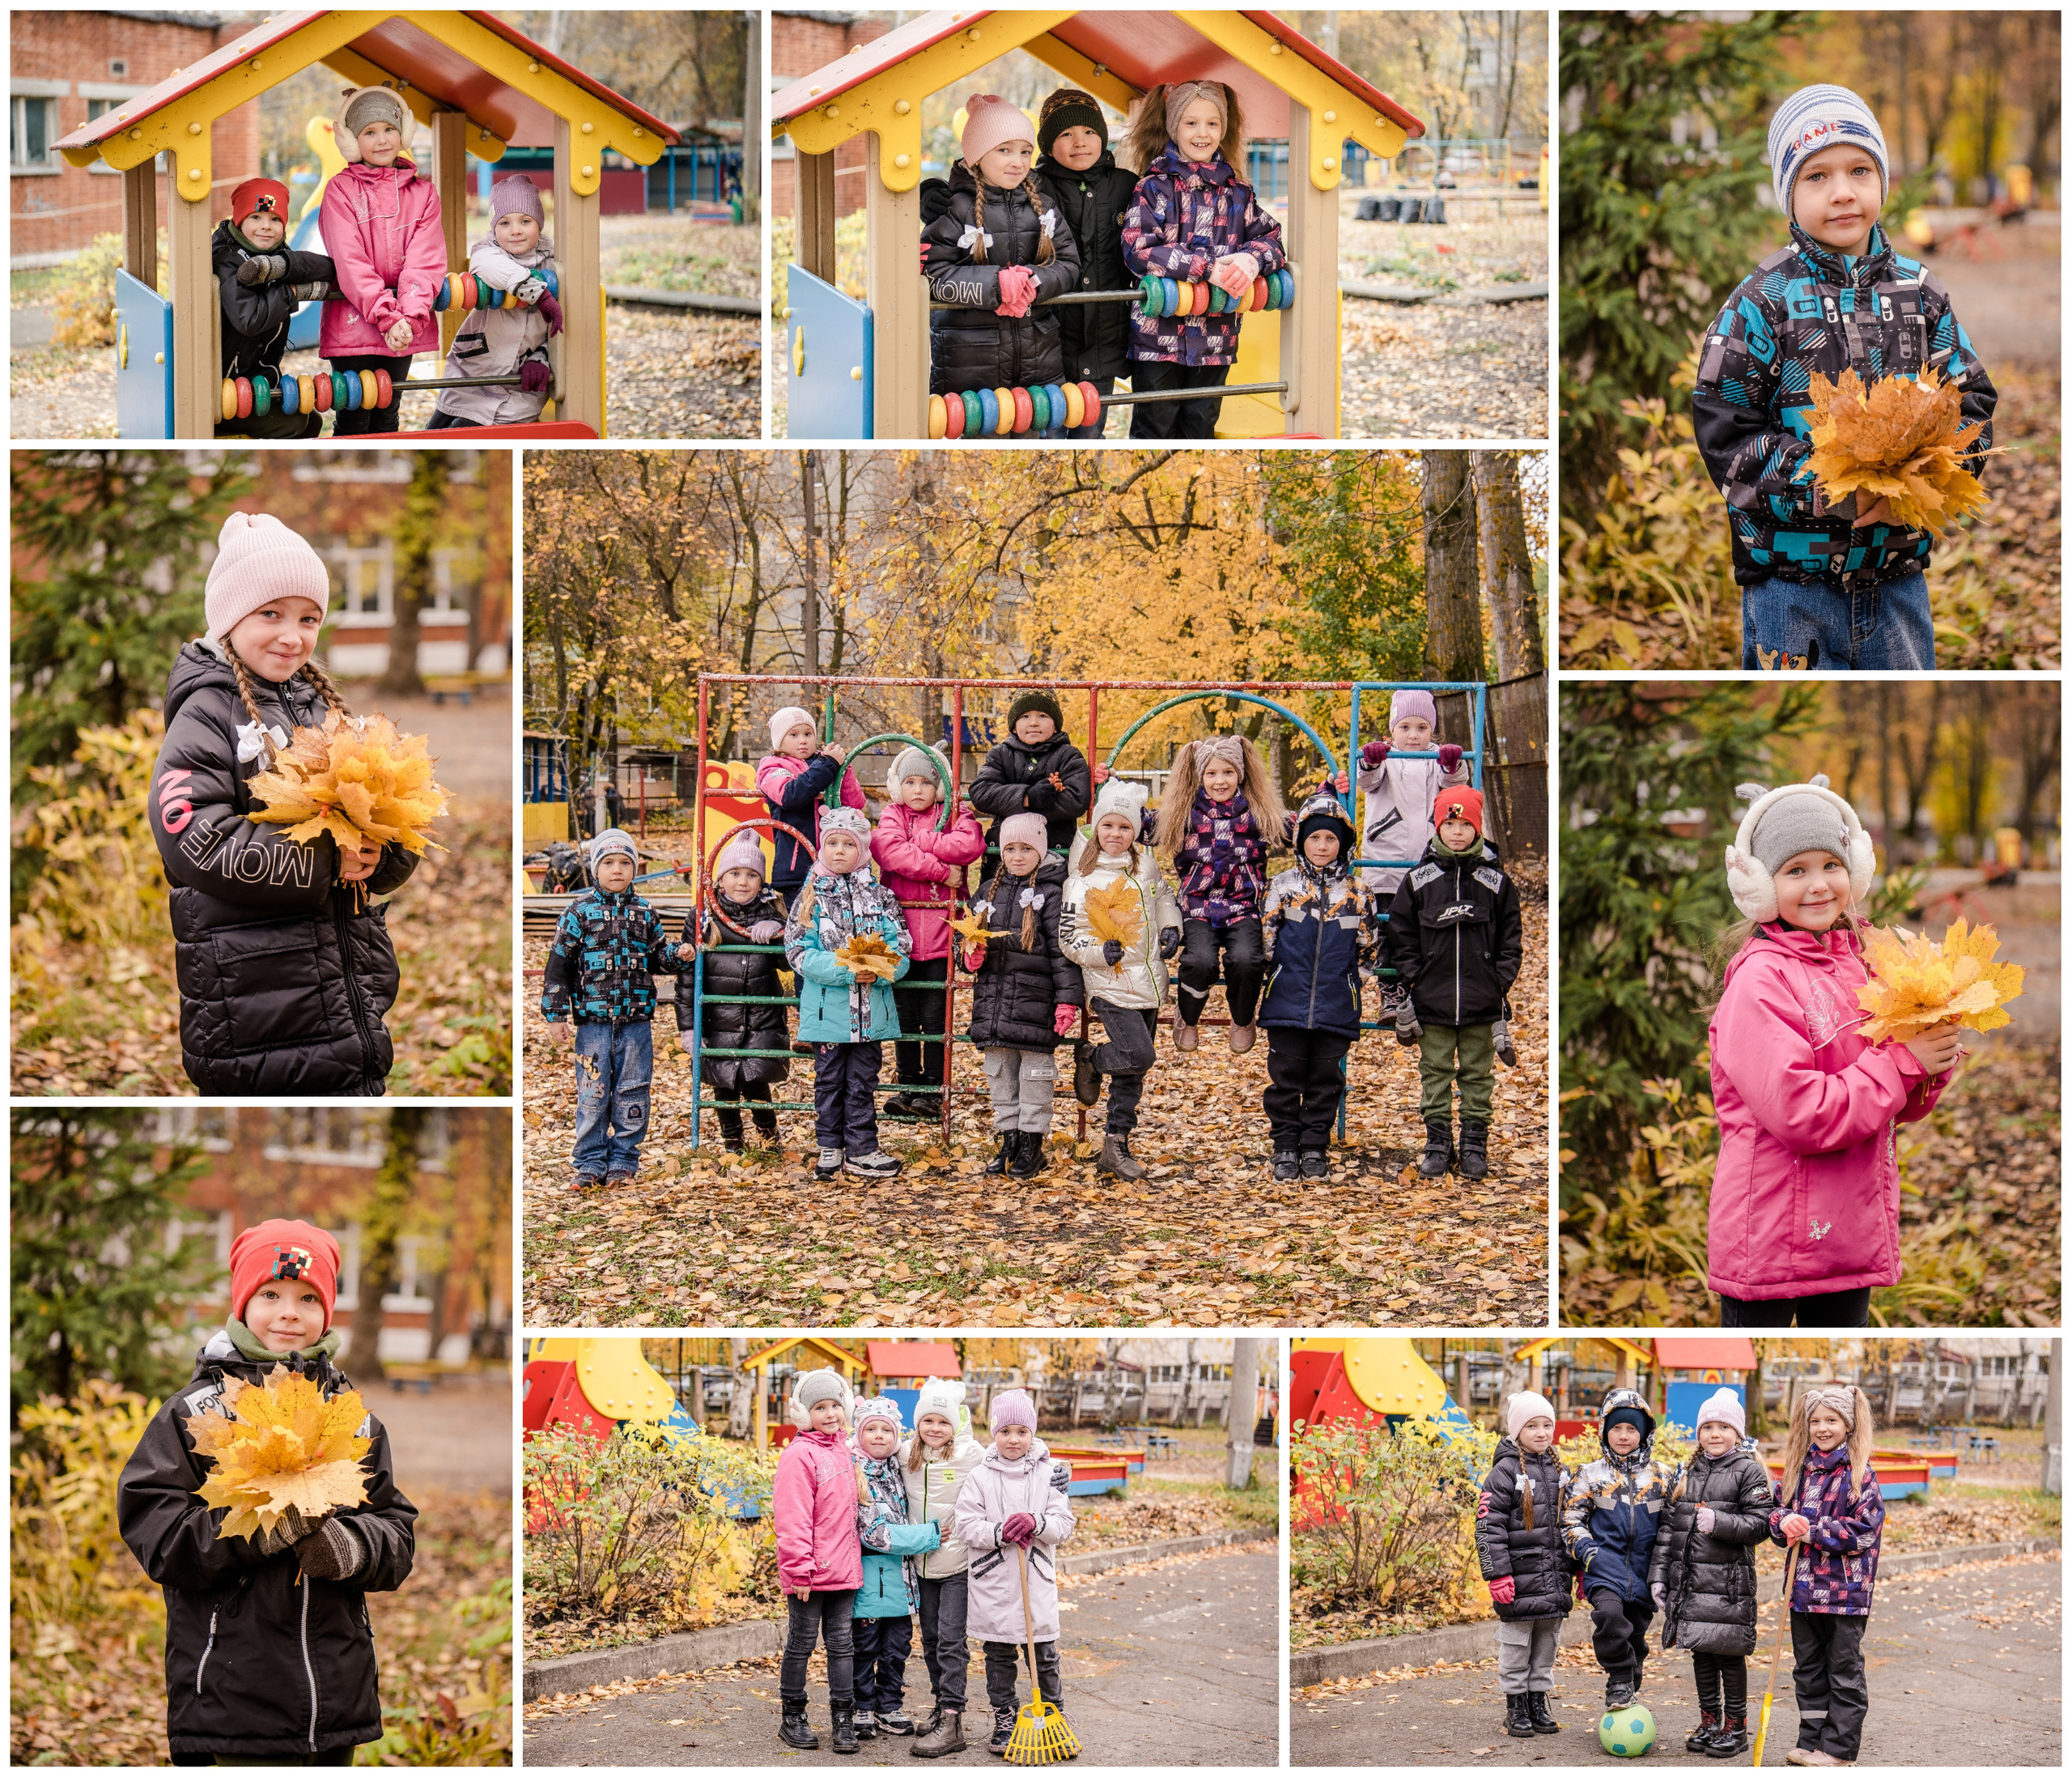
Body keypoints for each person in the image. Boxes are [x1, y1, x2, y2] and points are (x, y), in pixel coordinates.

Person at [1692, 84, 1998, 671]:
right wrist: (1829, 487)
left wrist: (1915, 485)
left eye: (1859, 169)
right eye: (1817, 176)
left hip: (1898, 582)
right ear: (1788, 194)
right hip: (1790, 588)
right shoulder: (1763, 301)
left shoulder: (1921, 293)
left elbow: (1972, 401)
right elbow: (1725, 430)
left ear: (1882, 180)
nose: (1843, 192)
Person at [117, 1220, 416, 1765]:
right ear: (242, 1302)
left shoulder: (353, 1420)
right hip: (232, 1699)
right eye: (271, 1293)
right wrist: (264, 1526)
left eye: (308, 1297)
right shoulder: (196, 1412)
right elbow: (157, 1531)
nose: (288, 1311)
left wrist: (349, 1548)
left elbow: (397, 1531)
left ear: (327, 1310)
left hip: (333, 1698)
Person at [147, 512, 417, 1096]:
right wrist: (325, 862)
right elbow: (194, 835)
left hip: (342, 1000)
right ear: (228, 617)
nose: (291, 635)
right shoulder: (206, 714)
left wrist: (380, 850)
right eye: (270, 613)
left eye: (308, 618)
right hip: (255, 1005)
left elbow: (381, 811)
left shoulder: (319, 707)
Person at [1709, 776, 1959, 1324]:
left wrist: (1931, 1060)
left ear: (1856, 870)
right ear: (1762, 885)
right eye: (1796, 870)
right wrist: (1904, 1060)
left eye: (1831, 865)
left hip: (1848, 1235)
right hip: (1772, 1242)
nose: (1819, 884)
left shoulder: (1865, 964)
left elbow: (1897, 1105)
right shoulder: (1759, 982)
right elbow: (1804, 1113)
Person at [1118, 81, 1287, 439]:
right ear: (1173, 127)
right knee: (1155, 424)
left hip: (1216, 337)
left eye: (1212, 124)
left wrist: (1250, 262)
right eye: (1191, 123)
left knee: (1201, 424)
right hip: (1157, 339)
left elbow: (1272, 238)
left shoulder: (1238, 194)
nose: (1202, 133)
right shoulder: (1153, 187)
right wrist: (1207, 269)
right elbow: (1138, 250)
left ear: (1223, 130)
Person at [923, 95, 1081, 436]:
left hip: (1039, 360)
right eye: (1004, 150)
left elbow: (1068, 262)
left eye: (1025, 151)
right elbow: (932, 275)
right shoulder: (954, 210)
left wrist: (1036, 280)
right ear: (977, 156)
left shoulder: (1044, 207)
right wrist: (997, 285)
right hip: (969, 365)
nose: (1018, 161)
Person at [1386, 786, 1523, 1181]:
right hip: (1434, 1000)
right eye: (1451, 823)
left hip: (1483, 1001)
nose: (1458, 832)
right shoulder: (1419, 881)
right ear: (1438, 827)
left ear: (1477, 828)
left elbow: (1511, 939)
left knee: (1478, 1074)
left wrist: (1499, 981)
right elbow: (1401, 934)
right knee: (1435, 1070)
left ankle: (1475, 1143)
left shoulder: (1496, 883)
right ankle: (1437, 1142)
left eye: (1466, 824)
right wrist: (1416, 976)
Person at [540, 827, 687, 1187]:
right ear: (595, 869)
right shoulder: (578, 913)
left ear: (635, 869)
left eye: (625, 862)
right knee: (593, 1091)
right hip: (593, 1024)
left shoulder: (645, 913)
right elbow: (558, 966)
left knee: (632, 1090)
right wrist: (556, 1014)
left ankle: (624, 1158)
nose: (617, 869)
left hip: (636, 1022)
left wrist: (678, 955)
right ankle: (590, 1161)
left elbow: (657, 957)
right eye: (608, 862)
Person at [1257, 791, 1384, 1180]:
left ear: (1344, 843)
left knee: (1326, 1081)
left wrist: (1350, 983)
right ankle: (1284, 1148)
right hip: (1286, 1002)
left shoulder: (1358, 893)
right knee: (1285, 1079)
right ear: (1301, 842)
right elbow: (1266, 940)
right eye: (1314, 838)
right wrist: (1276, 976)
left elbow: (1369, 948)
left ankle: (1314, 1147)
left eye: (1331, 838)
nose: (1323, 845)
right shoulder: (1283, 886)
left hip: (1336, 1003)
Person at [1060, 778, 1182, 1180]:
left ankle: (1116, 1144)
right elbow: (1068, 936)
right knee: (1138, 1055)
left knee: (1133, 1072)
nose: (1116, 834)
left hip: (1148, 978)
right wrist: (1097, 953)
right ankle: (1092, 1058)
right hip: (1108, 982)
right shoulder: (1081, 875)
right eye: (1108, 826)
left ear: (1135, 832)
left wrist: (1170, 927)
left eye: (1125, 827)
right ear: (1096, 827)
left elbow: (1163, 896)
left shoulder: (1144, 865)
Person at [784, 806, 912, 1181]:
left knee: (862, 1082)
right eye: (832, 843)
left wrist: (882, 972)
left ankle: (862, 1149)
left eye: (848, 845)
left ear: (863, 851)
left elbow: (901, 947)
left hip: (871, 1015)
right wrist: (846, 970)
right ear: (823, 848)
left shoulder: (882, 897)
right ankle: (829, 1147)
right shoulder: (811, 898)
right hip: (828, 1016)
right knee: (829, 1082)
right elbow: (797, 950)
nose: (839, 851)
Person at [1650, 1388, 1777, 1758]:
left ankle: (1736, 1728)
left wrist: (1719, 1521)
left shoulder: (1748, 1470)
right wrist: (1659, 1576)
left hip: (1727, 1584)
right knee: (1701, 1653)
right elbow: (1667, 1530)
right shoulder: (1688, 1471)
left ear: (1738, 1433)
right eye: (1708, 1427)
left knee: (1728, 1654)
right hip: (1690, 1583)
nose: (1715, 1434)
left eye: (1723, 1426)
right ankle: (1709, 1721)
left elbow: (1760, 1524)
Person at [1147, 734, 1289, 1056]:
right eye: (1211, 773)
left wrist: (1332, 792)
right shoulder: (1184, 813)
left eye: (1227, 772)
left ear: (1240, 773)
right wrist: (1109, 789)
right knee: (1199, 962)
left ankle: (1242, 1018)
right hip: (1197, 906)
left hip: (1244, 907)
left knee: (1247, 961)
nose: (1220, 780)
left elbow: (1305, 828)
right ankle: (1189, 1014)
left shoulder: (1258, 812)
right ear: (1200, 777)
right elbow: (1136, 824)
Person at [953, 1390, 1076, 1758]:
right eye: (1005, 1431)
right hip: (995, 1581)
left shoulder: (1048, 1474)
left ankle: (1054, 1714)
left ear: (1033, 1433)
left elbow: (1063, 1523)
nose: (1013, 1439)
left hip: (1034, 1578)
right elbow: (966, 1525)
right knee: (999, 1655)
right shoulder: (979, 1476)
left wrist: (1036, 1522)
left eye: (1022, 1431)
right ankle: (1005, 1717)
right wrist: (999, 1532)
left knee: (1044, 1653)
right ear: (994, 1432)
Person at [962, 811, 1084, 1179]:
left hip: (1036, 1002)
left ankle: (1033, 1143)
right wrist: (968, 953)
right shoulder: (987, 892)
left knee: (1034, 1075)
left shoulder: (1051, 894)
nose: (1017, 856)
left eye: (1026, 849)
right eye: (1010, 848)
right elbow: (964, 938)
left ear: (1041, 851)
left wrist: (1067, 1000)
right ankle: (1008, 1139)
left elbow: (1063, 953)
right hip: (994, 1004)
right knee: (1000, 1074)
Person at [1767, 1386, 1884, 1766]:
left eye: (1831, 1420)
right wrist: (1783, 1520)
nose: (1822, 1428)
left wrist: (1813, 1531)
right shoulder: (1798, 1470)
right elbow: (1774, 1515)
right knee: (1809, 1671)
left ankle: (1838, 1750)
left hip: (1844, 1596)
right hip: (1801, 1593)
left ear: (1848, 1424)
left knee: (1843, 1670)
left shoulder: (1859, 1474)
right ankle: (1811, 1740)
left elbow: (1864, 1531)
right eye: (1815, 1420)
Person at [319, 86, 445, 436]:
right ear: (352, 141)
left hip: (404, 322)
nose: (382, 140)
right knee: (355, 417)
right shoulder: (340, 190)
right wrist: (387, 318)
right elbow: (350, 260)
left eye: (389, 129)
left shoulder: (423, 193)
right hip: (354, 320)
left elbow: (426, 259)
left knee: (388, 413)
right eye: (369, 132)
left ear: (402, 133)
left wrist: (410, 319)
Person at [871, 745, 986, 1120]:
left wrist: (919, 842)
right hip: (899, 932)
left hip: (940, 931)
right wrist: (939, 869)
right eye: (910, 782)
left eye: (926, 782)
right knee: (904, 1014)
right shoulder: (892, 815)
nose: (918, 790)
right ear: (897, 786)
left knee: (936, 1015)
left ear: (939, 786)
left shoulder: (954, 813)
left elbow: (969, 845)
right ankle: (908, 1085)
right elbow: (888, 851)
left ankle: (934, 1088)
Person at [1344, 690, 1471, 1023]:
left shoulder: (1435, 758)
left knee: (1427, 930)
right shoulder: (1385, 757)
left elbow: (1456, 786)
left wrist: (1453, 764)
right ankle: (1390, 993)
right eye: (1405, 727)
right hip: (1385, 862)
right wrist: (1369, 761)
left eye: (1421, 728)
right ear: (1393, 729)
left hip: (1428, 862)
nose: (1413, 735)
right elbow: (1365, 782)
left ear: (1432, 730)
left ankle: (1422, 993)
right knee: (1387, 931)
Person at [1561, 1388, 1675, 1711]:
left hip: (1646, 1572)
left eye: (1631, 1429)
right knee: (1610, 1617)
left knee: (1636, 1635)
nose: (1623, 1436)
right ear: (1604, 1431)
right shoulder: (1590, 1475)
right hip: (1604, 1566)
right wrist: (1588, 1552)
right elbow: (1571, 1518)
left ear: (1645, 1433)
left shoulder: (1663, 1477)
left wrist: (1669, 1569)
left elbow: (1675, 1523)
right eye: (1616, 1428)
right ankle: (1619, 1679)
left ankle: (1628, 1689)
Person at [677, 831, 789, 1152]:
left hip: (761, 1014)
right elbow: (688, 977)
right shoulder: (703, 917)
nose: (743, 882)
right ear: (721, 878)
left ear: (761, 881)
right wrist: (688, 1026)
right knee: (722, 1081)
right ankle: (732, 1140)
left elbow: (788, 964)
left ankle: (769, 1136)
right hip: (717, 1015)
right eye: (735, 874)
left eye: (752, 875)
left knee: (756, 1078)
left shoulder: (771, 912)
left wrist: (779, 934)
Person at [773, 1370, 864, 1754]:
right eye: (819, 1407)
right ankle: (792, 1716)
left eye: (835, 1406)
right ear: (805, 1414)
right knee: (802, 1643)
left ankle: (843, 1719)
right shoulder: (799, 1456)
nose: (830, 1414)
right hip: (808, 1573)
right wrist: (799, 1571)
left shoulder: (843, 1451)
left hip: (843, 1570)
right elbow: (793, 1517)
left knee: (843, 1644)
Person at [427, 172, 564, 429]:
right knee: (436, 428)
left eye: (525, 221)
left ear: (540, 224)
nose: (515, 231)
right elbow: (489, 267)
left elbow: (558, 330)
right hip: (475, 370)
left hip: (519, 381)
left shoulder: (553, 261)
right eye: (504, 223)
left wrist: (541, 359)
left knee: (461, 431)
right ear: (493, 228)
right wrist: (537, 293)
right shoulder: (487, 251)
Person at [1476, 1391, 1572, 1741]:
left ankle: (1537, 1700)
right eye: (1532, 1426)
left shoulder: (1560, 1471)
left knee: (1547, 1643)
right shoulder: (1503, 1473)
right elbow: (1488, 1525)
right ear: (1517, 1431)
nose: (1542, 1432)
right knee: (1517, 1643)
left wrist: (1574, 1569)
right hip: (1517, 1577)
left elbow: (1571, 1523)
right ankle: (1515, 1704)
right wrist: (1497, 1573)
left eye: (1547, 1424)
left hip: (1553, 1577)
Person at [901, 1379, 988, 1758]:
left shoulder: (971, 1454)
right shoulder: (906, 1454)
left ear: (956, 1425)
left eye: (944, 1422)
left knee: (952, 1642)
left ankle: (953, 1720)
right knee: (932, 1641)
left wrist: (1050, 1463)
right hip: (921, 1565)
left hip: (958, 1564)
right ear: (917, 1423)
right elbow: (865, 1444)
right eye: (928, 1421)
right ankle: (941, 1707)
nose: (935, 1428)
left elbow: (1014, 1453)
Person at [213, 176, 336, 440]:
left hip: (256, 381)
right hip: (224, 392)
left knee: (311, 422)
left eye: (275, 219)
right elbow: (249, 319)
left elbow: (327, 267)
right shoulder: (227, 260)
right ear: (239, 220)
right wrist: (291, 292)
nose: (266, 227)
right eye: (256, 217)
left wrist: (288, 266)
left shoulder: (274, 253)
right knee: (293, 424)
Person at [851, 1396, 940, 1740]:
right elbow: (875, 1534)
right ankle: (862, 1707)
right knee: (865, 1647)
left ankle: (889, 1706)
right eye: (870, 1429)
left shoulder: (899, 1467)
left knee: (897, 1648)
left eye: (886, 1430)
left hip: (902, 1583)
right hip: (871, 1581)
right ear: (859, 1434)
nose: (878, 1435)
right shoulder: (857, 1471)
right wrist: (929, 1535)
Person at [758, 705, 867, 906]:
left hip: (833, 862)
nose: (803, 740)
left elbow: (855, 804)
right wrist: (828, 765)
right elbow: (790, 795)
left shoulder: (823, 762)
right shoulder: (773, 767)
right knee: (803, 925)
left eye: (808, 733)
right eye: (794, 734)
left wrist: (843, 769)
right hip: (797, 867)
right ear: (779, 741)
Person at [966, 690, 1093, 858]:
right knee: (992, 886)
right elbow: (981, 793)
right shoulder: (1000, 754)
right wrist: (1027, 797)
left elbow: (1077, 799)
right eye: (1024, 716)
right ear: (1013, 726)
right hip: (1005, 854)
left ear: (1055, 726)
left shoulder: (1068, 755)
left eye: (1042, 716)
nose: (1033, 723)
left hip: (1054, 853)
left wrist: (1024, 805)